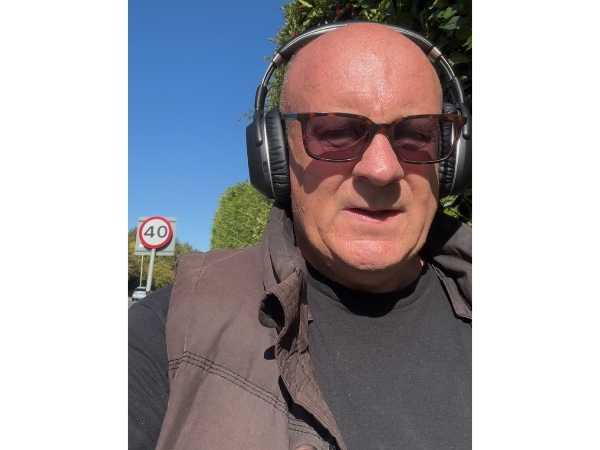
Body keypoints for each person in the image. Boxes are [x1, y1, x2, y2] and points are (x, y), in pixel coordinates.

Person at [129, 21, 472, 450]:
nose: (382, 170)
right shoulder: (170, 332)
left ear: (451, 161)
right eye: (336, 132)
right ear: (275, 154)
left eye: (417, 134)